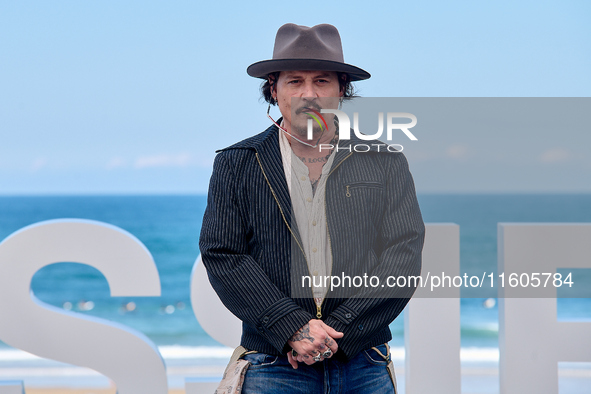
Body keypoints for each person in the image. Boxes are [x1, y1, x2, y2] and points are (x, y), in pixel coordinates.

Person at [200, 23, 424, 393]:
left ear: (341, 90)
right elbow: (223, 254)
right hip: (273, 365)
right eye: (294, 81)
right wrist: (291, 327)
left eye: (321, 81)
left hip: (362, 364)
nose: (309, 94)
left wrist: (339, 331)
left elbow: (403, 255)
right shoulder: (237, 163)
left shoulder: (384, 162)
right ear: (273, 89)